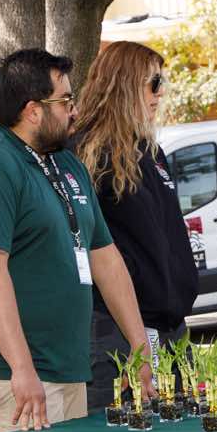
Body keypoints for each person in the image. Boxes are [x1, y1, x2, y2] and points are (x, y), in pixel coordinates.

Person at [0, 48, 154, 432]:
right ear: (33, 111)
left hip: (65, 365)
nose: (75, 111)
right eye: (66, 101)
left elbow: (105, 257)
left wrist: (139, 345)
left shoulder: (66, 164)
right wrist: (21, 369)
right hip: (10, 372)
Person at [72, 41, 198, 407]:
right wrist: (135, 337)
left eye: (162, 83)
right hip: (115, 330)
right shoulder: (86, 153)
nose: (161, 94)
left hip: (169, 327)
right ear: (125, 83)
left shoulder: (149, 150)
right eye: (154, 83)